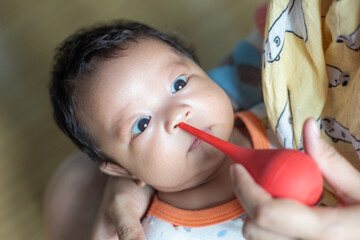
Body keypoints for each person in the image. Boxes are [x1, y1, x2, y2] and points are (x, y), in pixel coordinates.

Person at [46, 19, 280, 239]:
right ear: (123, 171)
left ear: (204, 72)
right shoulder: (155, 234)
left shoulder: (277, 113)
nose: (177, 114)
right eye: (142, 124)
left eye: (179, 83)